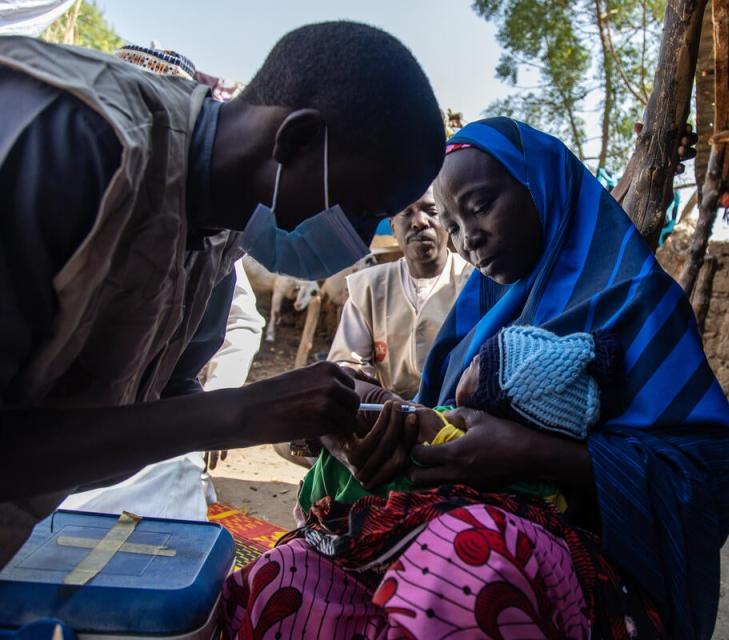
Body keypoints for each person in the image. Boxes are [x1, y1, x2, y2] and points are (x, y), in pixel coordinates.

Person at [222, 118, 729, 640]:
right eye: (453, 223)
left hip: (582, 562)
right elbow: (437, 412)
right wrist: (379, 430)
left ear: (541, 187)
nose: (467, 237)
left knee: (468, 561)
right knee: (285, 579)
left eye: (479, 206)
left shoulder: (637, 304)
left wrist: (535, 455)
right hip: (436, 524)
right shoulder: (477, 312)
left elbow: (704, 480)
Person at [0, 22, 445, 560]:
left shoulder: (219, 233)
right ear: (295, 141)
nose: (354, 242)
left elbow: (166, 398)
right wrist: (245, 414)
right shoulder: (79, 144)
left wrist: (315, 418)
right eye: (362, 210)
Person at [298, 325, 620, 513]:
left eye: (478, 363)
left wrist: (376, 399)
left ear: (481, 404)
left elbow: (331, 386)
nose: (470, 359)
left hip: (330, 504)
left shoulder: (442, 432)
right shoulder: (547, 495)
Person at [327, 185, 472, 399]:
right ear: (393, 227)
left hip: (457, 419)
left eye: (431, 211)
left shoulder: (475, 282)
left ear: (448, 221)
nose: (419, 222)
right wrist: (378, 398)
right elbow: (347, 365)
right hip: (389, 418)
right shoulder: (368, 287)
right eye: (406, 213)